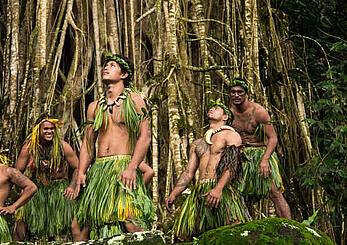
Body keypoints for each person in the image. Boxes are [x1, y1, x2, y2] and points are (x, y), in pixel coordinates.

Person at [72, 54, 156, 241]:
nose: (106, 68)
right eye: (105, 65)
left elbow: (145, 136)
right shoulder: (94, 107)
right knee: (79, 224)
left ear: (124, 74)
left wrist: (132, 167)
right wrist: (82, 171)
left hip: (123, 166)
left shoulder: (135, 101)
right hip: (99, 169)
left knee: (131, 219)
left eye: (112, 65)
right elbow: (87, 142)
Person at [165, 101, 249, 239]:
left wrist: (219, 189)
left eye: (216, 108)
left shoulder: (231, 135)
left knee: (232, 230)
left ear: (225, 117)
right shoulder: (198, 143)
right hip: (200, 192)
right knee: (185, 235)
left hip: (221, 189)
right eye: (211, 107)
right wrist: (174, 193)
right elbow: (188, 172)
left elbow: (232, 165)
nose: (211, 108)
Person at [228, 78, 291, 218]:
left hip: (260, 153)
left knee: (274, 192)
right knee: (236, 192)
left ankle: (290, 226)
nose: (236, 95)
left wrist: (265, 159)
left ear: (246, 94)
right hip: (241, 155)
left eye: (240, 92)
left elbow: (273, 138)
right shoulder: (228, 114)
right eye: (233, 92)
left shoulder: (258, 112)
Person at [13, 114, 80, 241]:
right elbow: (17, 172)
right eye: (46, 129)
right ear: (38, 130)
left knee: (63, 224)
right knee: (22, 218)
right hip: (36, 190)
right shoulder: (29, 148)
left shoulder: (63, 146)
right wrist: (24, 187)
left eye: (52, 129)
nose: (49, 131)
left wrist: (72, 186)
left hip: (59, 189)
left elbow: (77, 167)